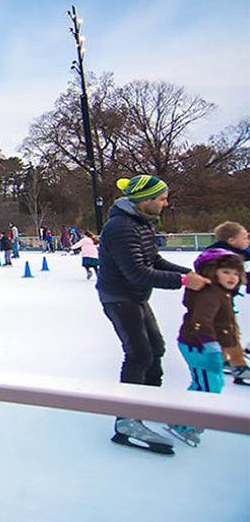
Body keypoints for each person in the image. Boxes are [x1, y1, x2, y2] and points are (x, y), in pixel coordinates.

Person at [97, 175, 209, 455]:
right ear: (145, 200)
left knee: (155, 348)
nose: (165, 203)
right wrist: (185, 282)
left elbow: (154, 261)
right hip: (120, 298)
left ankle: (147, 402)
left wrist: (188, 273)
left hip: (135, 297)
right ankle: (127, 420)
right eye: (161, 198)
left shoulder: (139, 224)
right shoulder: (121, 227)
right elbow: (136, 271)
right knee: (139, 354)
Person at [164, 248, 246, 447]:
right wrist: (211, 348)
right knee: (205, 387)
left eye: (235, 273)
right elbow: (201, 322)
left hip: (208, 347)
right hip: (197, 346)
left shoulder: (222, 292)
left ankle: (183, 415)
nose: (232, 277)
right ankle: (181, 422)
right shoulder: (210, 294)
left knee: (212, 385)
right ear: (212, 272)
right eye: (226, 272)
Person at [206, 221, 250, 384]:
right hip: (216, 300)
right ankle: (238, 365)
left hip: (219, 299)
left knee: (224, 330)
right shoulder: (224, 257)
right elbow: (240, 278)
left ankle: (222, 360)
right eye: (245, 238)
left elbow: (246, 252)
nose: (247, 241)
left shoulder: (228, 250)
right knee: (230, 331)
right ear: (232, 240)